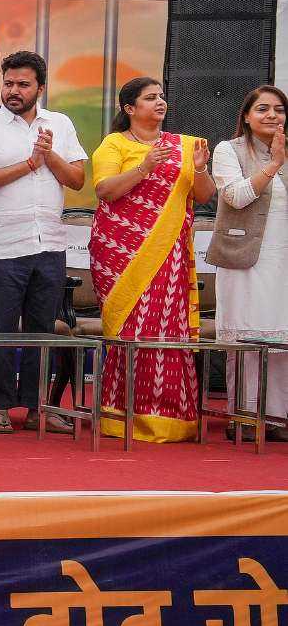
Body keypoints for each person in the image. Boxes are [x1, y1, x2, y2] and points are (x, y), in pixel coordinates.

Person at [0, 51, 86, 434]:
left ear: (40, 88)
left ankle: (38, 407)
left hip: (48, 241)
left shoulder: (60, 124)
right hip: (2, 244)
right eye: (8, 83)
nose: (13, 91)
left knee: (41, 330)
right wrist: (28, 165)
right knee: (1, 328)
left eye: (23, 85)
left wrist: (49, 157)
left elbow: (78, 179)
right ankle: (0, 407)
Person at [90, 76, 215, 442]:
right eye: (149, 98)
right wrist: (145, 166)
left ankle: (170, 419)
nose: (160, 102)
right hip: (120, 252)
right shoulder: (114, 144)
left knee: (165, 330)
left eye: (161, 97)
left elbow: (204, 196)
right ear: (130, 109)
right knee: (128, 329)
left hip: (167, 253)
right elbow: (104, 190)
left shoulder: (186, 146)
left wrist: (202, 168)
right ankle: (120, 417)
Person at [209, 84, 288, 442]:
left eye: (279, 110)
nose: (272, 116)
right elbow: (235, 196)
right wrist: (273, 165)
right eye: (263, 109)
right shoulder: (229, 149)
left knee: (281, 341)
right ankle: (242, 415)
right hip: (245, 259)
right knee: (247, 338)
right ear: (246, 115)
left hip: (282, 258)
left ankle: (277, 418)